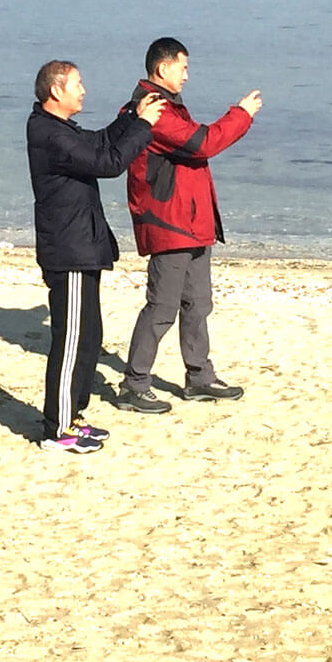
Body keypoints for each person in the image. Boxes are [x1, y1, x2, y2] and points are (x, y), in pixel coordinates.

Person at [114, 37, 263, 413]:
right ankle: (134, 384)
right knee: (162, 307)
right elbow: (203, 143)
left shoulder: (169, 107)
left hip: (193, 223)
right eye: (183, 67)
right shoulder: (153, 110)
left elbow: (196, 148)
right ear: (163, 69)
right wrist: (241, 114)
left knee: (198, 303)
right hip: (169, 223)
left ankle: (199, 377)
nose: (187, 75)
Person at [26, 60, 167, 453]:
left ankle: (73, 416)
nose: (84, 90)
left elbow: (101, 143)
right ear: (56, 91)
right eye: (77, 84)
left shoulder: (61, 129)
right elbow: (108, 163)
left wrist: (130, 113)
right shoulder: (46, 133)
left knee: (90, 337)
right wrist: (143, 126)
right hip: (67, 250)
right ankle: (57, 429)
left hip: (84, 246)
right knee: (71, 339)